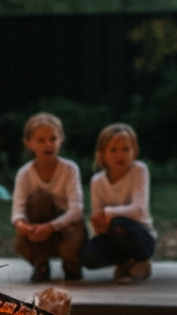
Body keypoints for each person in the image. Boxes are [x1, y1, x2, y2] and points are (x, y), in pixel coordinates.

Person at [11, 112, 87, 281]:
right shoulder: (25, 174)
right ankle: (41, 264)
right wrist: (21, 224)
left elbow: (77, 210)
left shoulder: (69, 169)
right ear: (28, 143)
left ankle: (71, 263)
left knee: (71, 244)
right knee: (40, 200)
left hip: (66, 228)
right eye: (41, 140)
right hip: (39, 227)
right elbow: (18, 209)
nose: (48, 144)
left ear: (61, 140)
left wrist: (51, 227)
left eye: (53, 139)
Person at [81, 122, 157, 282]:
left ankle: (141, 260)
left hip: (139, 235)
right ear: (102, 154)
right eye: (113, 150)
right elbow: (96, 218)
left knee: (119, 223)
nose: (120, 154)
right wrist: (100, 224)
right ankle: (126, 263)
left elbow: (138, 210)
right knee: (88, 256)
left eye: (125, 149)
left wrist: (108, 214)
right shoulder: (97, 181)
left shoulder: (139, 170)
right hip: (111, 235)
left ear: (134, 152)